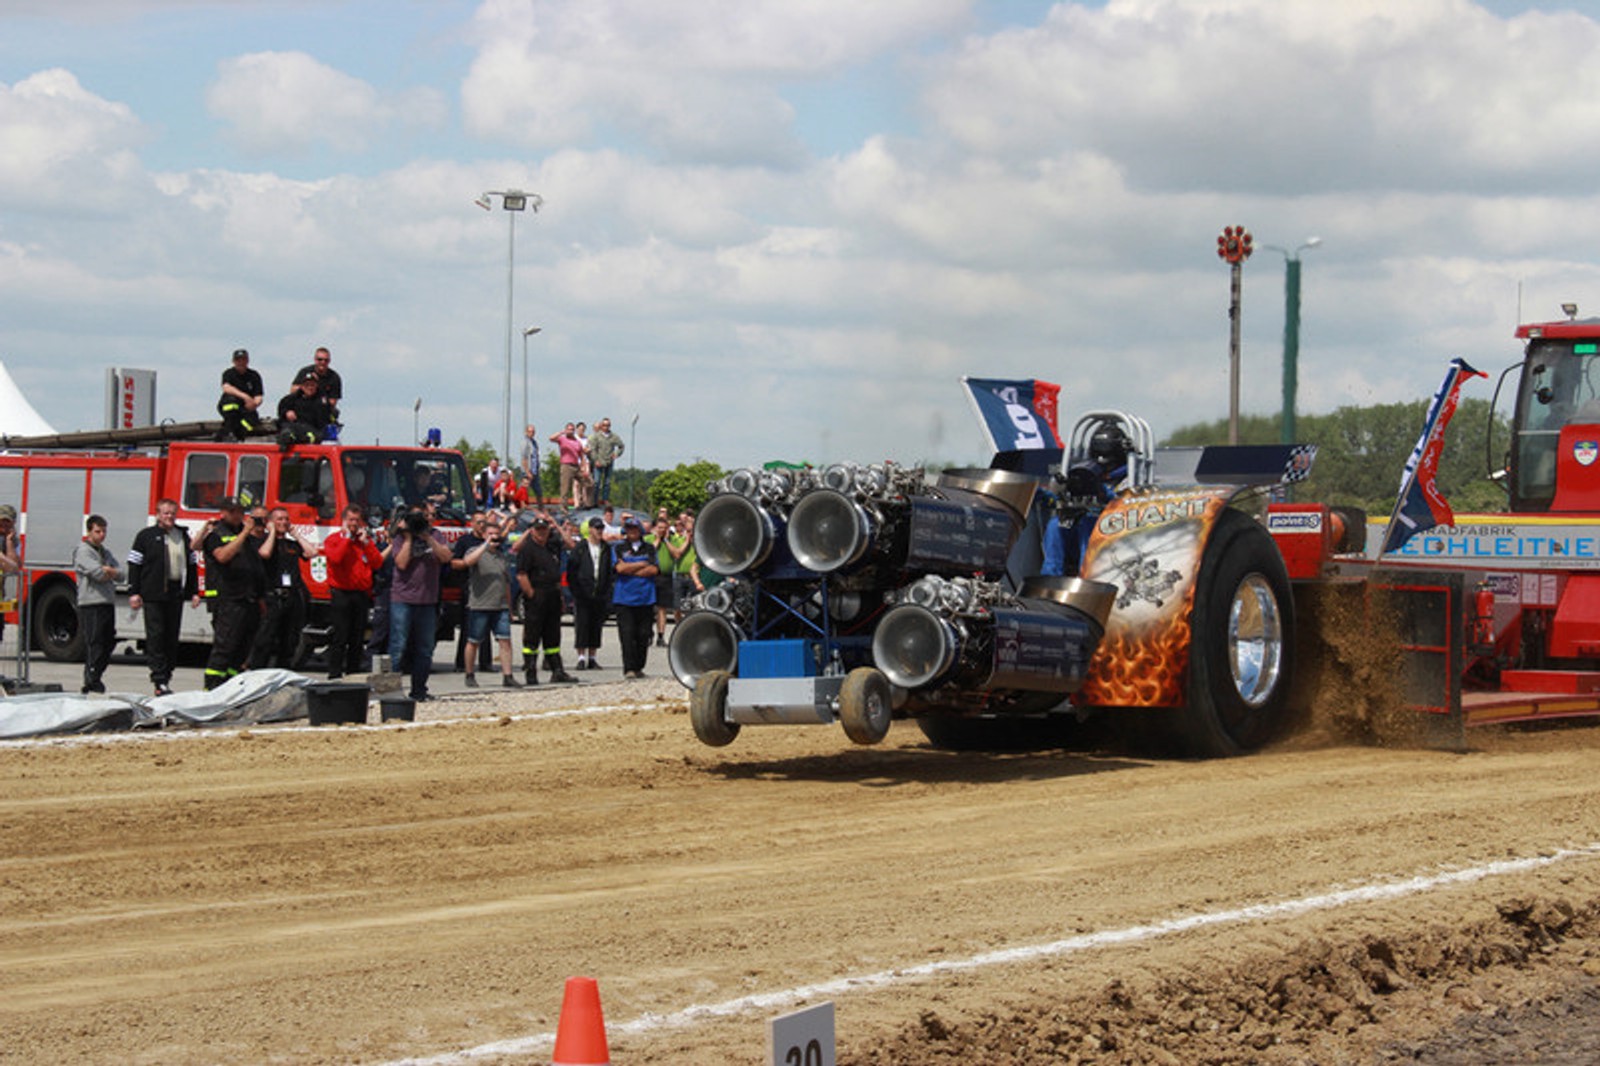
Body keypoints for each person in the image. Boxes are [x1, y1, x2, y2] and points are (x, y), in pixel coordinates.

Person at [126, 498, 200, 696]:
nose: (169, 517)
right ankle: (158, 679)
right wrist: (134, 591)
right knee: (156, 636)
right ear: (158, 514)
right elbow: (134, 565)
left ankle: (167, 676)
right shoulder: (146, 536)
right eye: (165, 513)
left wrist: (194, 591)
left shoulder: (183, 536)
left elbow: (192, 565)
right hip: (153, 593)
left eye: (172, 513)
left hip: (175, 593)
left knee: (171, 637)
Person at [389, 507, 453, 701]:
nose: (426, 520)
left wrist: (428, 538)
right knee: (398, 647)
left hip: (427, 600)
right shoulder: (401, 537)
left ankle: (419, 691)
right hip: (403, 599)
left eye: (429, 517)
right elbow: (401, 563)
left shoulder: (436, 535)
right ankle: (391, 693)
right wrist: (409, 537)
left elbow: (446, 557)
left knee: (425, 649)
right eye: (422, 517)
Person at [201, 497, 262, 690]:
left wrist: (260, 597)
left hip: (248, 598)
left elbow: (257, 567)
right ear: (224, 513)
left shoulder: (247, 538)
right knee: (225, 646)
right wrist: (244, 533)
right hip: (228, 599)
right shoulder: (216, 535)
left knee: (242, 648)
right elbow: (223, 556)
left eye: (240, 511)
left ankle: (230, 686)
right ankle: (211, 688)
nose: (238, 515)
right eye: (233, 511)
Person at [458, 513, 522, 688]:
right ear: (485, 535)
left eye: (497, 534)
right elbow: (467, 561)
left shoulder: (501, 557)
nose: (495, 537)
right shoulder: (475, 551)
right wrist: (485, 545)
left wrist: (509, 609)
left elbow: (506, 583)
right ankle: (469, 673)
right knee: (474, 641)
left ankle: (507, 676)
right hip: (479, 604)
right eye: (491, 534)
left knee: (505, 640)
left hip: (500, 605)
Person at [250, 506, 317, 669]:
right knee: (265, 640)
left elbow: (312, 552)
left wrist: (296, 535)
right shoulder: (262, 541)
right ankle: (257, 672)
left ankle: (283, 671)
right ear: (271, 522)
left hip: (291, 597)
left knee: (289, 641)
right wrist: (272, 532)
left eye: (286, 519)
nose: (284, 522)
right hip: (272, 596)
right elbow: (264, 554)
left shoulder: (292, 544)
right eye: (279, 519)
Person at [514, 515, 577, 685]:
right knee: (532, 636)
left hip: (553, 594)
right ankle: (531, 671)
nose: (542, 533)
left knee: (553, 635)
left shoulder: (551, 546)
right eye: (538, 530)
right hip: (537, 595)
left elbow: (571, 545)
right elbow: (521, 574)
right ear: (532, 531)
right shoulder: (528, 549)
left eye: (544, 530)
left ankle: (557, 670)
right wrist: (531, 594)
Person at [323, 505, 384, 680]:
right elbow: (335, 558)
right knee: (340, 635)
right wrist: (347, 539)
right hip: (341, 593)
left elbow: (377, 562)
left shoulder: (363, 543)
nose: (354, 524)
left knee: (357, 636)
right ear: (344, 521)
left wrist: (366, 544)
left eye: (357, 520)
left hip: (360, 594)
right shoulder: (334, 539)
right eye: (351, 520)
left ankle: (353, 671)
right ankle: (334, 673)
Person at [72, 514, 121, 694]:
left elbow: (122, 573)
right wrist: (107, 571)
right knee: (95, 641)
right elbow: (97, 574)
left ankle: (97, 674)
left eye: (104, 531)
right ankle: (91, 679)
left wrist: (110, 571)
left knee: (109, 640)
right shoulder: (83, 551)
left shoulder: (105, 552)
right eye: (98, 531)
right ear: (89, 532)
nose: (102, 535)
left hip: (107, 601)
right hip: (91, 602)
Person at [611, 516, 658, 679]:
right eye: (629, 528)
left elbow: (653, 569)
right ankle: (629, 668)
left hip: (645, 598)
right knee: (627, 634)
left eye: (635, 529)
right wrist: (641, 565)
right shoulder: (619, 548)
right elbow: (620, 568)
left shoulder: (650, 548)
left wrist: (631, 568)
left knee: (643, 634)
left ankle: (639, 666)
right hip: (624, 598)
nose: (632, 531)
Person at [567, 516, 614, 670]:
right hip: (582, 594)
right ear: (590, 530)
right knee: (582, 624)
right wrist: (576, 591)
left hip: (599, 594)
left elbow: (608, 571)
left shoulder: (605, 548)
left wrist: (607, 592)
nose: (599, 531)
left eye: (601, 528)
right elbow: (572, 571)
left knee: (596, 625)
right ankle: (581, 657)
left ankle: (592, 657)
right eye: (597, 528)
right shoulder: (580, 548)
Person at [217, 348, 264, 441]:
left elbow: (259, 395)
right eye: (238, 360)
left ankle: (239, 434)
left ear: (247, 360)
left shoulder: (254, 375)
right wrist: (245, 397)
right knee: (231, 406)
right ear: (233, 361)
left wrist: (254, 404)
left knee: (252, 420)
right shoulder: (229, 373)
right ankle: (227, 434)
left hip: (246, 408)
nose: (241, 362)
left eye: (243, 359)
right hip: (230, 406)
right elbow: (226, 388)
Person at [277, 370, 328, 446]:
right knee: (287, 429)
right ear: (301, 386)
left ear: (316, 386)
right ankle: (288, 438)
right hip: (292, 427)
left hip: (312, 430)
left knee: (310, 434)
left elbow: (321, 422)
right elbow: (281, 411)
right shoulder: (290, 399)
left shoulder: (322, 401)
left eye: (312, 385)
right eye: (307, 385)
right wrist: (287, 412)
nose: (310, 388)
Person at [296, 346, 342, 426]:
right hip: (302, 406)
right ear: (315, 360)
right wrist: (307, 385)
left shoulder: (334, 377)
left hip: (322, 409)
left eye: (326, 360)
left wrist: (317, 386)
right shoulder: (305, 372)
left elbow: (332, 402)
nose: (323, 362)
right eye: (320, 359)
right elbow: (293, 390)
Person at [588, 417, 625, 505]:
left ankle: (605, 499)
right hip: (599, 462)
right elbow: (592, 449)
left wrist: (616, 454)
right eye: (604, 425)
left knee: (607, 482)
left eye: (608, 425)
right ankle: (594, 500)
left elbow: (621, 446)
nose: (606, 427)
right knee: (596, 482)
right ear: (601, 426)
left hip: (609, 462)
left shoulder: (614, 436)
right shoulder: (596, 436)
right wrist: (595, 460)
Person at [0, 504, 20, 645]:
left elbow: (13, 568)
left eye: (8, 524)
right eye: (1, 523)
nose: (4, 527)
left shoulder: (11, 540)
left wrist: (9, 543)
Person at [550, 424, 583, 510]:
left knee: (588, 482)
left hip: (576, 465)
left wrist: (583, 466)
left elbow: (581, 455)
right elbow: (551, 438)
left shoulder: (577, 441)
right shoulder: (562, 439)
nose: (570, 431)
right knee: (565, 487)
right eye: (569, 429)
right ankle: (563, 506)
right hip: (566, 465)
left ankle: (584, 502)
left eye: (572, 430)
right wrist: (562, 432)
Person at [520, 424, 539, 500]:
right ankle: (519, 506)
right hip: (527, 471)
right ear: (526, 432)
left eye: (533, 432)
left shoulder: (534, 442)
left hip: (534, 470)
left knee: (538, 491)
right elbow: (524, 458)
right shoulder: (525, 443)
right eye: (530, 431)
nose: (532, 433)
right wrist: (527, 471)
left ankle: (541, 508)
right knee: (523, 490)